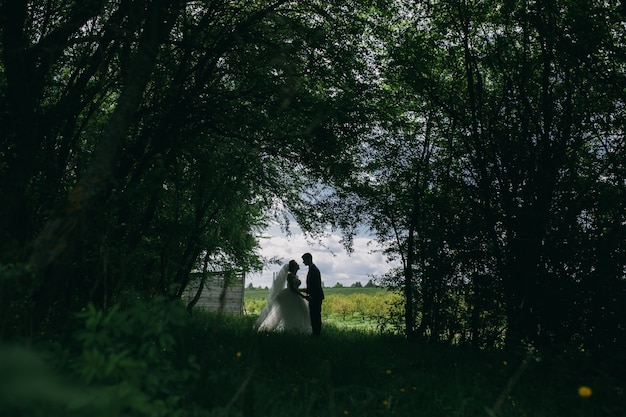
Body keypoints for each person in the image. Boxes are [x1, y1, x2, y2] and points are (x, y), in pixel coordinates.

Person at [253, 260, 312, 334]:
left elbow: (295, 288)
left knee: (298, 313)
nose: (298, 265)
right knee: (290, 314)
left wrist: (303, 291)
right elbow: (292, 289)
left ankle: (296, 329)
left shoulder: (295, 276)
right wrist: (303, 296)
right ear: (294, 267)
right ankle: (289, 330)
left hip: (295, 296)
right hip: (290, 296)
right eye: (297, 264)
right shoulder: (290, 275)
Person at [300, 253, 324, 336]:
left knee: (315, 315)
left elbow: (314, 286)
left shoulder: (313, 270)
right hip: (315, 296)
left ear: (308, 259)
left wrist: (308, 295)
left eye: (304, 260)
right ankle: (316, 333)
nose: (303, 262)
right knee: (314, 315)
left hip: (315, 297)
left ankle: (316, 334)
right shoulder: (312, 269)